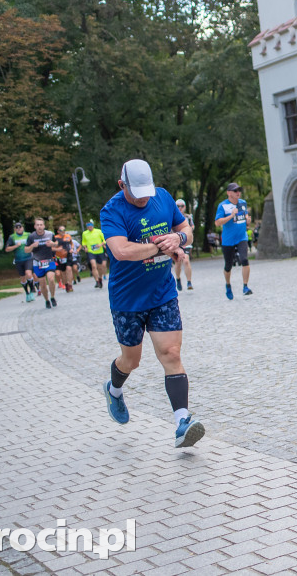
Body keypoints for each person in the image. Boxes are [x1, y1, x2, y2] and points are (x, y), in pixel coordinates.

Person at [100, 159, 204, 448]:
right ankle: (114, 390)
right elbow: (121, 250)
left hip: (162, 293)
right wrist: (161, 245)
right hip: (127, 299)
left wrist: (179, 237)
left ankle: (182, 423)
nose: (145, 197)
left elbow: (186, 229)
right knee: (131, 360)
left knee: (171, 353)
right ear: (122, 186)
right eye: (137, 192)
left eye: (148, 190)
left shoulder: (163, 196)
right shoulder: (112, 210)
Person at [214, 182, 252, 299]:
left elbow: (245, 218)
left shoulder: (243, 203)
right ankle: (228, 285)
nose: (238, 193)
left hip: (242, 237)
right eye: (235, 191)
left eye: (239, 190)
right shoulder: (223, 206)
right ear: (229, 193)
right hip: (228, 240)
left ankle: (245, 287)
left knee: (244, 259)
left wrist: (248, 220)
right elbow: (217, 223)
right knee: (228, 266)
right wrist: (231, 216)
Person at [24, 217, 58, 309]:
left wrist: (52, 244)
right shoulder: (31, 236)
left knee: (51, 279)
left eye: (41, 225)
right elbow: (26, 250)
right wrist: (32, 246)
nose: (39, 227)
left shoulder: (50, 234)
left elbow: (56, 243)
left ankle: (52, 297)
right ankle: (47, 300)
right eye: (37, 225)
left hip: (49, 260)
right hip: (37, 262)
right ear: (35, 226)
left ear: (44, 226)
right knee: (42, 284)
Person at [6, 221, 36, 302]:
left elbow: (34, 244)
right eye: (17, 227)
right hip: (19, 260)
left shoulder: (28, 235)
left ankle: (32, 289)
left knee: (28, 273)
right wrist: (16, 246)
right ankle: (27, 293)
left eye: (20, 227)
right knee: (23, 278)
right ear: (15, 229)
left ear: (23, 228)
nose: (19, 229)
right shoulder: (12, 237)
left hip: (28, 258)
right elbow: (7, 249)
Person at [173, 199, 194, 291]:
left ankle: (189, 282)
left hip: (185, 243)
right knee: (178, 262)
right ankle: (178, 279)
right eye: (178, 206)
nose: (180, 208)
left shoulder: (188, 218)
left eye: (182, 206)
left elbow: (192, 227)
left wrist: (186, 232)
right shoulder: (171, 216)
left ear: (184, 207)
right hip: (175, 243)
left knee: (186, 260)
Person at [81, 220, 108, 288]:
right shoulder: (84, 233)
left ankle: (100, 278)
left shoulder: (98, 231)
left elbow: (105, 239)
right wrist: (85, 247)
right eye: (88, 227)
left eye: (90, 226)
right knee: (93, 266)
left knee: (100, 267)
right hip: (91, 251)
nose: (89, 228)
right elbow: (83, 242)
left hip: (99, 251)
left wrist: (100, 244)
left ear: (92, 226)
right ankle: (97, 281)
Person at [53, 225, 75, 292]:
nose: (63, 232)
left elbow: (72, 243)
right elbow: (51, 248)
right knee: (63, 272)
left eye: (64, 230)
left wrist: (72, 249)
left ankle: (70, 284)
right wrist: (57, 249)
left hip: (68, 254)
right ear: (58, 231)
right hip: (60, 256)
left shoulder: (68, 236)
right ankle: (66, 284)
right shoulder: (55, 238)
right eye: (61, 230)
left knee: (69, 268)